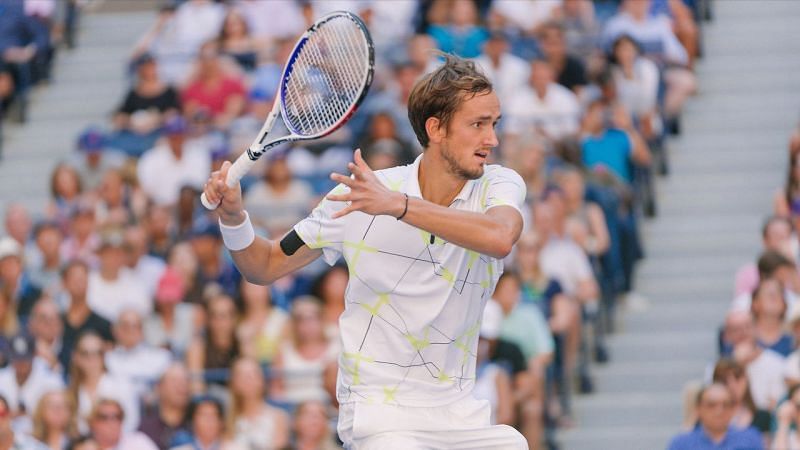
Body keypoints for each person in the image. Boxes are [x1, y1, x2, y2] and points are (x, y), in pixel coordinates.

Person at [203, 54, 527, 449]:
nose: (491, 139)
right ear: (436, 128)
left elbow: (499, 236)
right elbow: (264, 265)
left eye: (493, 124)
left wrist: (400, 206)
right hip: (381, 417)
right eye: (478, 124)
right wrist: (235, 217)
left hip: (461, 414)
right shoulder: (355, 198)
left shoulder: (498, 184)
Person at [668, 383, 763, 450]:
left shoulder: (750, 438)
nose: (719, 411)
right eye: (711, 405)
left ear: (733, 410)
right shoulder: (682, 444)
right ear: (698, 409)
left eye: (725, 405)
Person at [227, 357, 290, 450]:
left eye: (252, 375)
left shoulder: (278, 417)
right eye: (242, 376)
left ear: (261, 380)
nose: (248, 380)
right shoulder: (228, 420)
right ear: (234, 383)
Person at [138, 363, 191, 450]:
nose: (182, 386)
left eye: (186, 381)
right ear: (159, 387)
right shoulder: (145, 429)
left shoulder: (197, 425)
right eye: (175, 381)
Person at [87, 398, 157, 450]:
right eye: (105, 417)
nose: (113, 422)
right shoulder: (84, 446)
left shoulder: (137, 441)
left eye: (118, 416)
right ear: (93, 422)